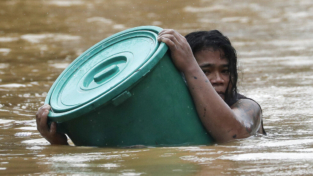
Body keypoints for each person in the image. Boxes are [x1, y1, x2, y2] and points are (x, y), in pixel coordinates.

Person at [36, 29, 265, 145]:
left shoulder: (247, 107)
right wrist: (60, 144)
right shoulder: (168, 111)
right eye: (205, 71)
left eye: (225, 71)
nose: (218, 79)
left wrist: (190, 65)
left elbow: (234, 135)